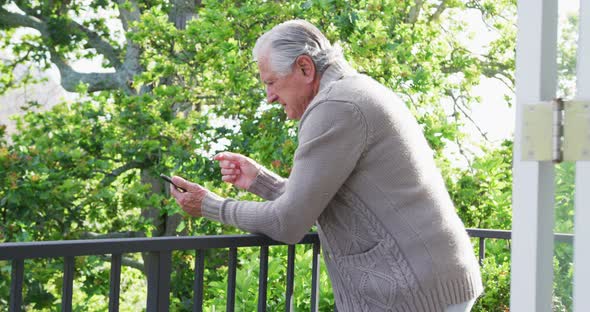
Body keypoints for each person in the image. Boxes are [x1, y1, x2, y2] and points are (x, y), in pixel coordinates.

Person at [170, 19, 482, 312]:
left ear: (304, 68)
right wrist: (259, 180)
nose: (269, 97)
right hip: (429, 281)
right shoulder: (355, 90)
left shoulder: (336, 106)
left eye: (272, 83)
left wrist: (210, 205)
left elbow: (289, 222)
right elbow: (318, 198)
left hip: (414, 292)